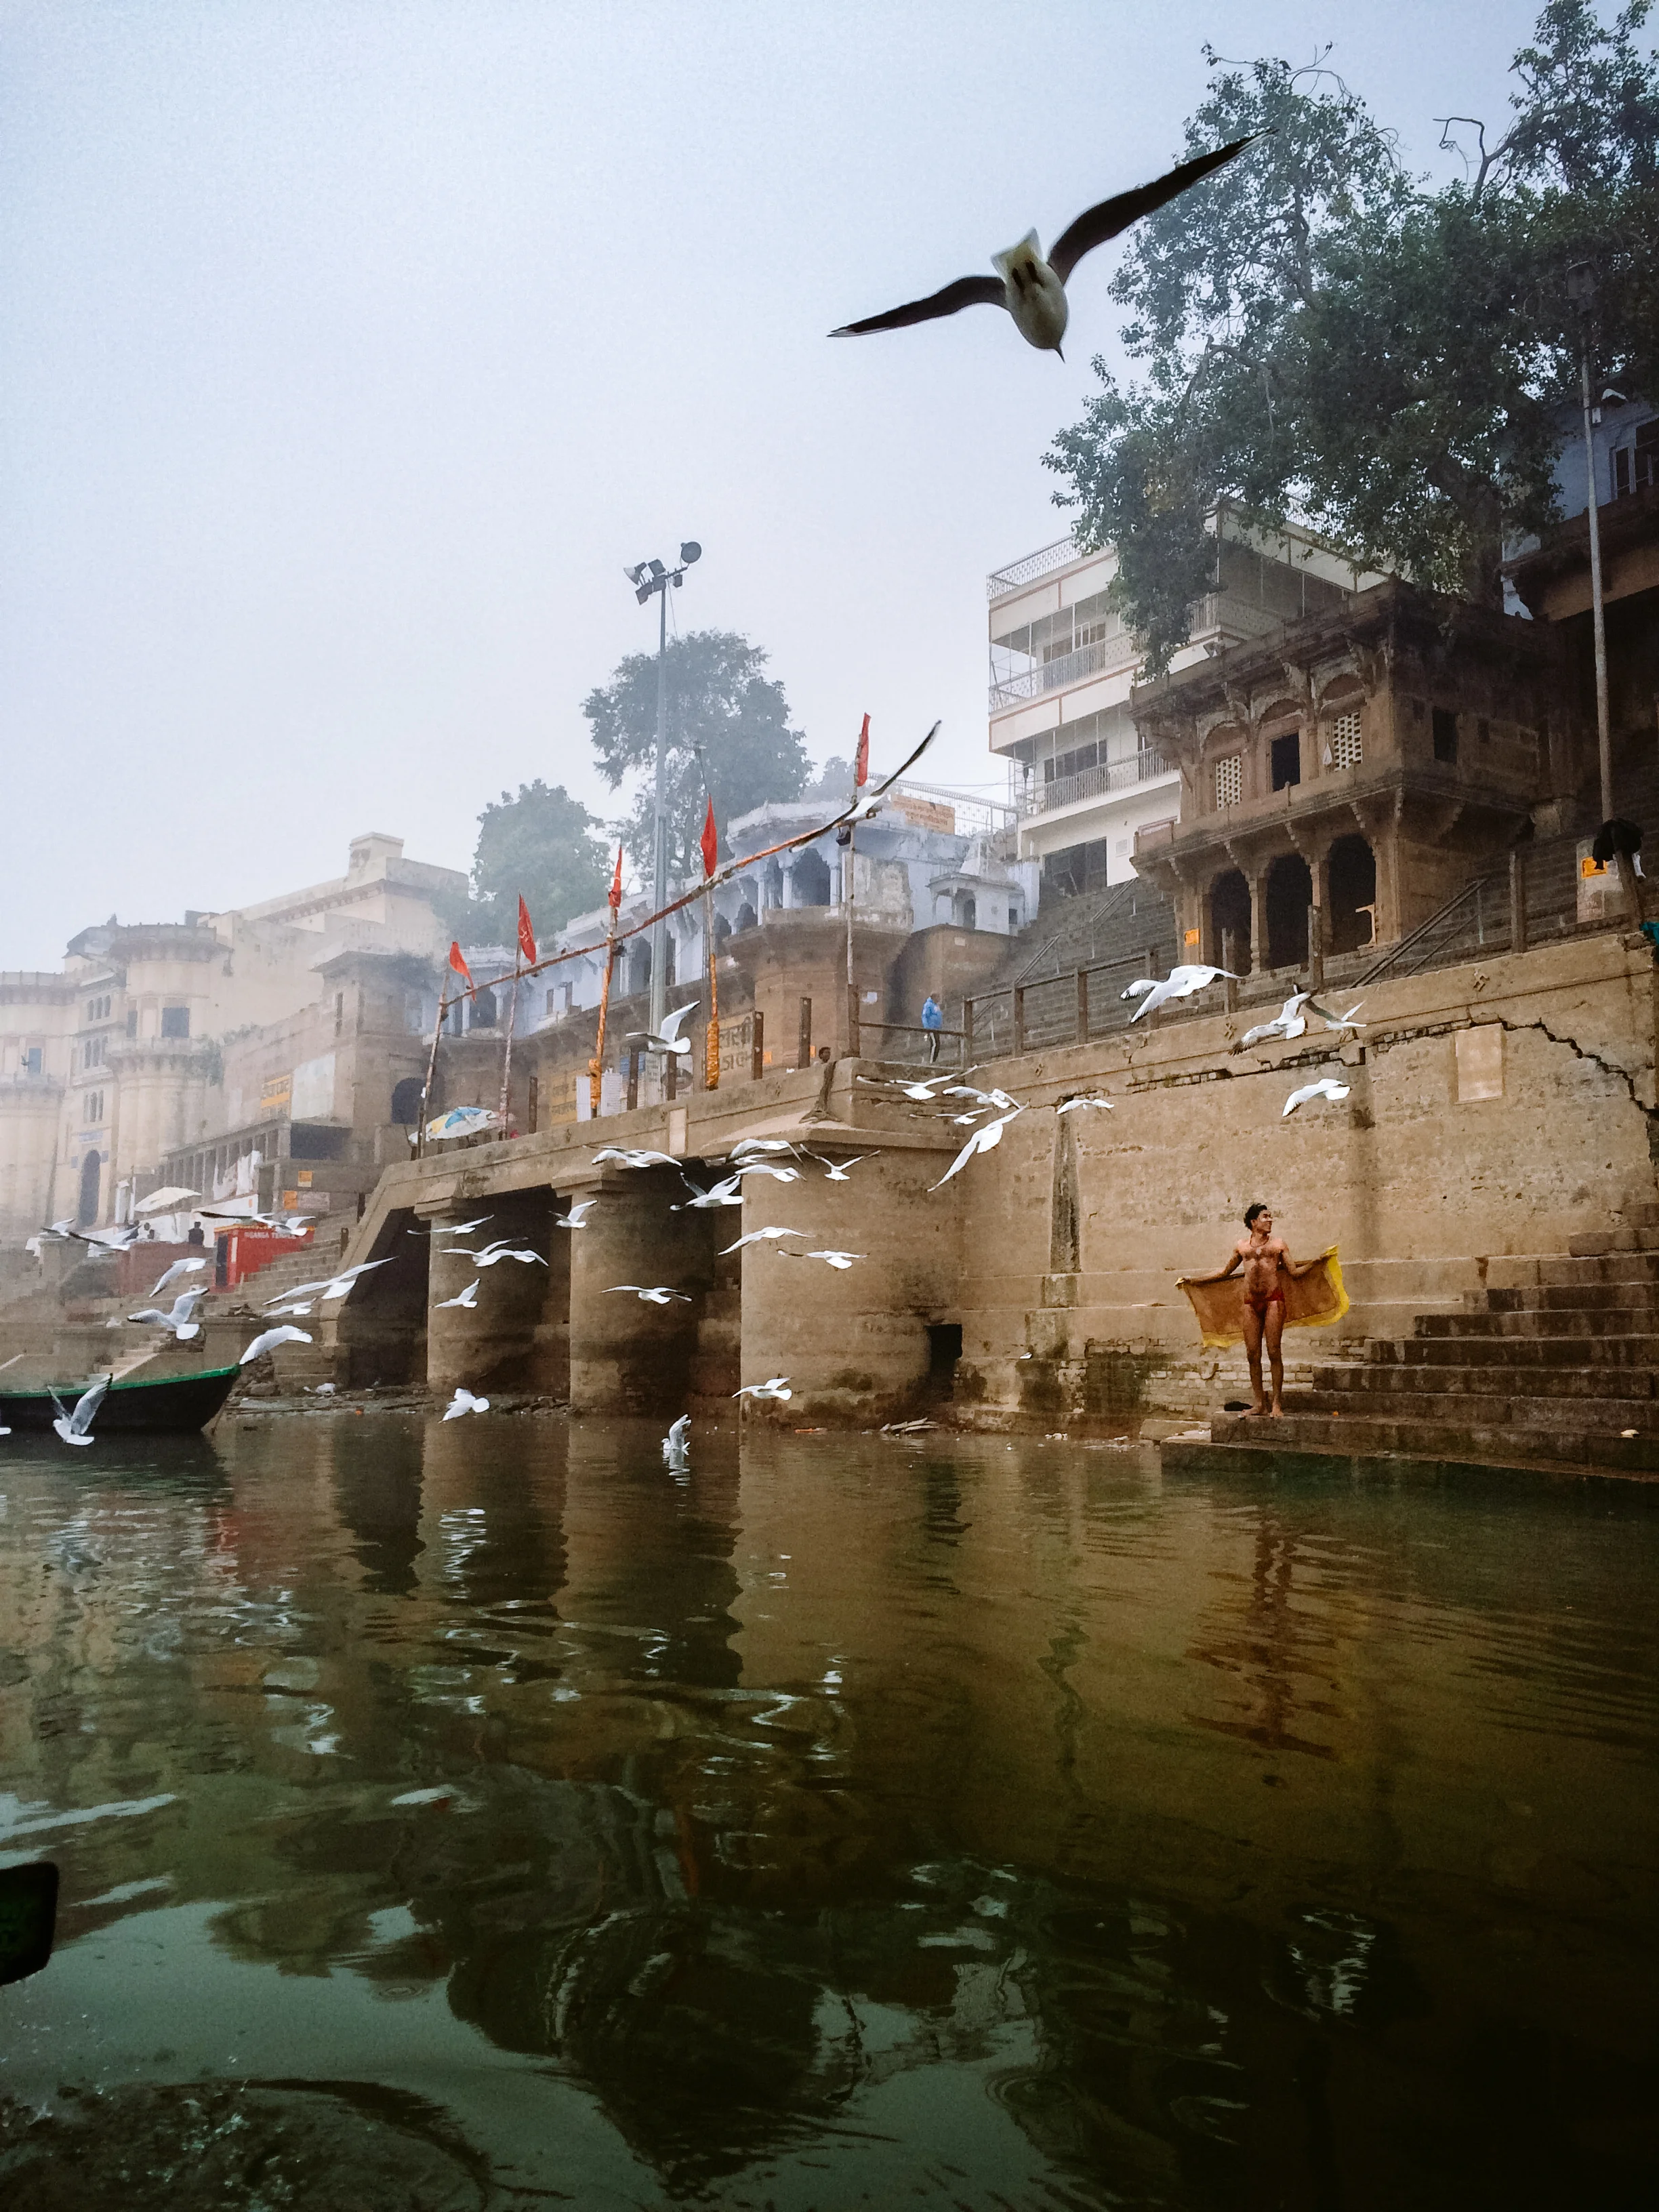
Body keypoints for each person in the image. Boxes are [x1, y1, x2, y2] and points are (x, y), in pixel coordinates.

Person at [1187, 1202, 1322, 1417]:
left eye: (1270, 1216)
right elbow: (1224, 1273)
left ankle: (1276, 1404)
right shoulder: (1242, 1247)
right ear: (1254, 1222)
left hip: (1273, 1301)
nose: (1270, 1220)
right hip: (1250, 1303)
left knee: (1274, 1351)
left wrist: (1316, 1263)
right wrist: (1195, 1280)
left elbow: (1294, 1273)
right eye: (1265, 1217)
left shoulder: (1278, 1245)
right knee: (1252, 1354)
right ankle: (1259, 1404)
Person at [921, 993, 943, 1063]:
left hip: (937, 1029)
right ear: (934, 997)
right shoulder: (928, 1005)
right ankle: (932, 1061)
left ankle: (934, 1060)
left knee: (938, 1044)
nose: (939, 999)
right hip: (931, 1028)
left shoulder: (937, 1006)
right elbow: (925, 1016)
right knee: (935, 1044)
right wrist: (927, 1028)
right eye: (938, 997)